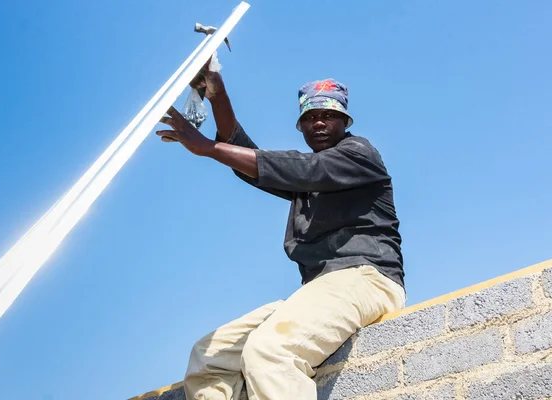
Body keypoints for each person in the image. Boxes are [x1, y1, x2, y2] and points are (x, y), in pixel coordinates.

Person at [156, 65, 406, 400]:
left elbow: (301, 169)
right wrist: (218, 95)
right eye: (311, 116)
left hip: (367, 278)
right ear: (301, 125)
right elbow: (245, 155)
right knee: (209, 357)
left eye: (328, 115)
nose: (319, 122)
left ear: (345, 122)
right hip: (321, 288)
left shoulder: (358, 156)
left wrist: (206, 147)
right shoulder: (305, 180)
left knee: (270, 351)